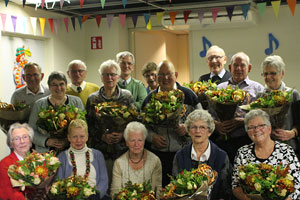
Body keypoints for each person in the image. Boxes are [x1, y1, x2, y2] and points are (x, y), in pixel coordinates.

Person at [142, 60, 201, 186]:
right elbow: (141, 126)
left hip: (186, 154)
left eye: (169, 74)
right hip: (158, 156)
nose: (165, 78)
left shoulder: (189, 95)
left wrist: (188, 128)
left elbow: (203, 119)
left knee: (184, 190)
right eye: (161, 75)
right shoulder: (149, 99)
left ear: (176, 75)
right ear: (157, 77)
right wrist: (152, 137)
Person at [232, 109, 300, 200]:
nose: (256, 130)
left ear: (269, 129)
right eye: (251, 127)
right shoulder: (242, 152)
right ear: (247, 132)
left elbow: (298, 183)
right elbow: (235, 185)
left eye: (261, 125)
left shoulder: (286, 150)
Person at [86, 59, 136, 182]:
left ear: (118, 77)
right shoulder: (93, 99)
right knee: (103, 184)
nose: (109, 77)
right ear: (101, 77)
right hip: (100, 151)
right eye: (106, 74)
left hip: (123, 150)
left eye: (113, 74)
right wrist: (102, 136)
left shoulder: (127, 96)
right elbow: (88, 124)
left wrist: (123, 134)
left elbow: (135, 120)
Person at [214, 52, 264, 163]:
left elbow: (263, 118)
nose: (238, 68)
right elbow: (209, 114)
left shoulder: (258, 89)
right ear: (230, 67)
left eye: (242, 65)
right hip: (223, 142)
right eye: (235, 65)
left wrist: (243, 121)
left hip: (249, 141)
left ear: (249, 68)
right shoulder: (219, 89)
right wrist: (217, 125)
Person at [172, 109, 232, 200]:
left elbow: (226, 191)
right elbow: (176, 187)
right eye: (193, 127)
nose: (197, 131)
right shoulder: (180, 156)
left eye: (202, 127)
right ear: (188, 131)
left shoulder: (221, 156)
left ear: (210, 132)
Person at [29, 71, 84, 153]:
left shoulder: (76, 102)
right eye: (54, 85)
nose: (58, 88)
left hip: (72, 150)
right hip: (45, 153)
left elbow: (84, 127)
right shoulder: (39, 104)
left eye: (61, 84)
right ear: (49, 87)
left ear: (66, 85)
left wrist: (68, 140)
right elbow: (30, 131)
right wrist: (46, 141)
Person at [57, 119, 109, 200]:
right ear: (69, 137)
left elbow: (104, 181)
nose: (78, 141)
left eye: (82, 136)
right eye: (74, 137)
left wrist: (96, 195)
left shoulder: (97, 155)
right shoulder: (62, 157)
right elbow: (58, 183)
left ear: (87, 136)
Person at [260, 55, 300, 155]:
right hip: (266, 150)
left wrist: (292, 133)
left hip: (290, 149)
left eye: (273, 73)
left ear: (282, 73)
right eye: (265, 74)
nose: (268, 77)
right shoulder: (259, 96)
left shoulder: (293, 94)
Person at [111, 121, 162, 198]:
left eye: (140, 140)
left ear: (144, 141)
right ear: (126, 142)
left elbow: (157, 192)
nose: (136, 144)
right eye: (132, 140)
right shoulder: (119, 163)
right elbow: (115, 193)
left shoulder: (155, 161)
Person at [0, 123, 47, 200]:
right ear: (11, 143)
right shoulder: (4, 164)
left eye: (25, 137)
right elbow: (6, 194)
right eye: (17, 139)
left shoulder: (39, 159)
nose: (22, 141)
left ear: (30, 140)